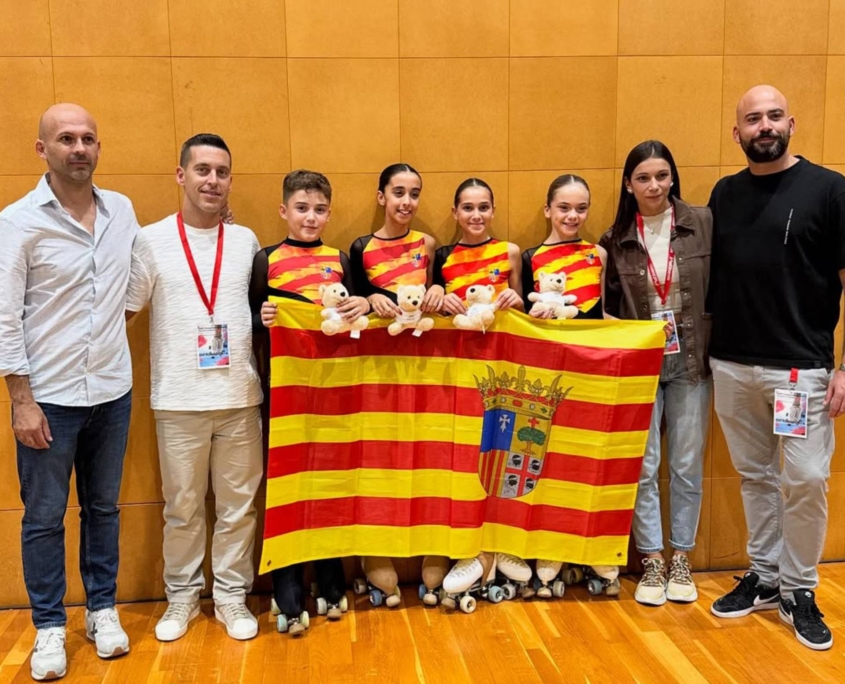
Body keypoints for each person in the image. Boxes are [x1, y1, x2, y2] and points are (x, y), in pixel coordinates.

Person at [0, 103, 137, 681]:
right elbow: (5, 316)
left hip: (111, 390)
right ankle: (50, 626)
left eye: (87, 138)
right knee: (44, 517)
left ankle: (102, 611)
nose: (79, 148)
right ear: (43, 149)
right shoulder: (17, 221)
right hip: (48, 398)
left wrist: (110, 329)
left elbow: (137, 278)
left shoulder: (121, 210)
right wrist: (20, 400)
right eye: (66, 139)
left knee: (103, 508)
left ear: (98, 147)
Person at [707, 85, 845, 651]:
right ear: (736, 133)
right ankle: (765, 576)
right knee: (756, 476)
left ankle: (800, 588)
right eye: (752, 119)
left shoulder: (830, 190)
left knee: (806, 479)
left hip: (800, 372)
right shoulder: (724, 193)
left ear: (792, 123)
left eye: (773, 116)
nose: (764, 125)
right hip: (733, 366)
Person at [125, 134, 263, 643]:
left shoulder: (246, 241)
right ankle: (181, 596)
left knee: (238, 508)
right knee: (181, 509)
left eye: (221, 172)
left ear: (230, 180)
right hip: (178, 400)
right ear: (181, 175)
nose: (212, 180)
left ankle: (230, 595)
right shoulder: (150, 239)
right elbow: (125, 311)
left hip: (240, 398)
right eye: (202, 170)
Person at [251, 169, 368, 635]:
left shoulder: (339, 259)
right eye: (301, 208)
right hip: (285, 393)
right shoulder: (267, 259)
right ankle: (287, 589)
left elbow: (360, 311)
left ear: (329, 213)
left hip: (335, 392)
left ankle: (330, 580)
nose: (310, 217)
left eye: (319, 210)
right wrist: (262, 316)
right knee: (288, 487)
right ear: (284, 210)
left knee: (329, 486)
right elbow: (251, 319)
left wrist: (361, 305)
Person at [600, 140, 712, 606]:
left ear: (672, 177)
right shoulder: (614, 239)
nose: (654, 185)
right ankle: (651, 559)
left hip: (692, 361)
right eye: (643, 178)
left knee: (686, 465)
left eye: (662, 175)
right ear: (628, 184)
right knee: (643, 466)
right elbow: (603, 310)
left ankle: (681, 556)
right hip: (639, 367)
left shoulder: (702, 223)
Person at [348, 163, 448, 606]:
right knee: (379, 458)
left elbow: (442, 294)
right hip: (377, 371)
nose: (407, 202)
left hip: (426, 369)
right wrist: (368, 297)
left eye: (414, 193)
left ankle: (434, 544)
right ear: (381, 197)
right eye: (399, 192)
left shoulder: (428, 244)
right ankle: (374, 551)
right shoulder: (359, 247)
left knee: (430, 456)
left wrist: (439, 290)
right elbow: (350, 300)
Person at [432, 178, 532, 599]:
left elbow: (526, 311)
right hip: (457, 373)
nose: (476, 215)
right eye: (468, 207)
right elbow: (430, 307)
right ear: (455, 213)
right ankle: (469, 550)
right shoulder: (441, 256)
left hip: (503, 371)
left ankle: (502, 543)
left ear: (493, 210)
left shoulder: (510, 252)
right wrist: (439, 298)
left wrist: (517, 301)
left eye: (483, 207)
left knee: (503, 455)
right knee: (464, 460)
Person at [522, 175, 606, 319]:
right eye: (564, 208)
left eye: (581, 208)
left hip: (593, 333)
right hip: (551, 334)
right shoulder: (530, 258)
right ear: (547, 210)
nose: (573, 215)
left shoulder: (599, 253)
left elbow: (604, 313)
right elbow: (526, 316)